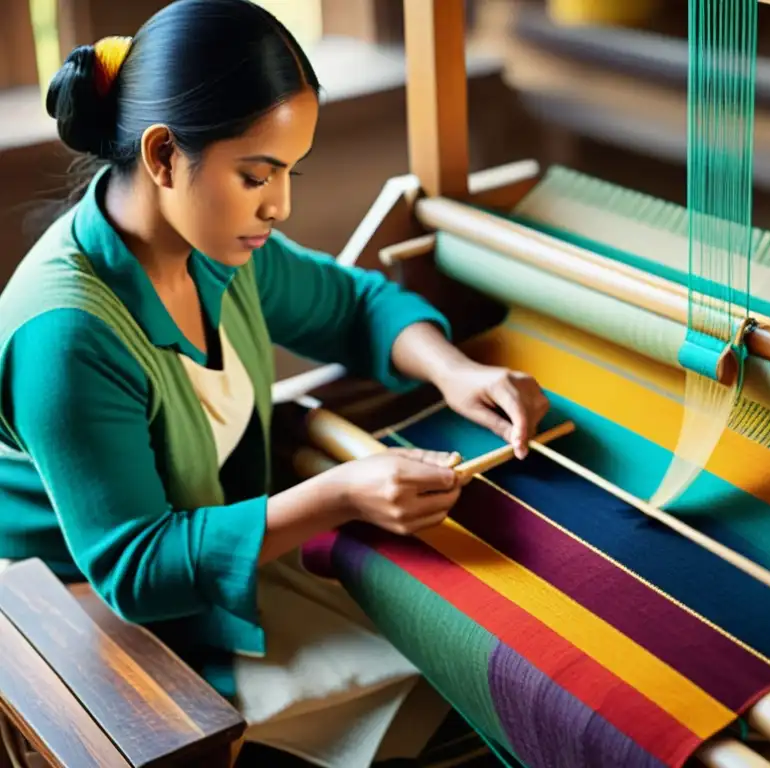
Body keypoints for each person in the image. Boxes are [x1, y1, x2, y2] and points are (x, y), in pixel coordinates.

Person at [0, 1, 548, 766]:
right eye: (257, 174)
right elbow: (134, 567)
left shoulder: (220, 245)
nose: (280, 204)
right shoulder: (65, 334)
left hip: (206, 537)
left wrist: (455, 370)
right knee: (465, 683)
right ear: (162, 156)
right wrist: (342, 494)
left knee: (486, 662)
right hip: (85, 618)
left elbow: (357, 304)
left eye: (289, 172)